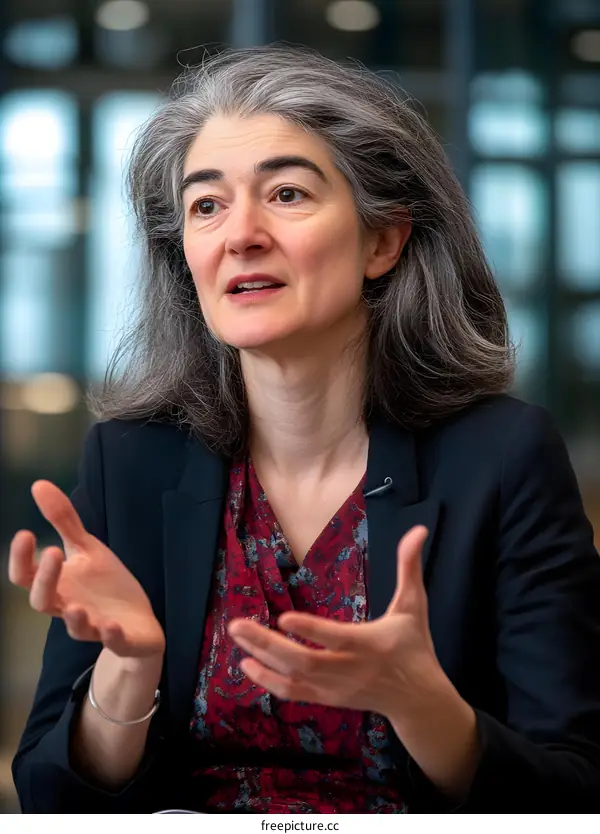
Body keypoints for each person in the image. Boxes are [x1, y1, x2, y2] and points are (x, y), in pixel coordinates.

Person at [8, 44, 600, 814]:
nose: (239, 235)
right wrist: (130, 669)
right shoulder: (132, 462)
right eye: (206, 205)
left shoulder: (502, 457)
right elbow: (50, 804)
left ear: (383, 241)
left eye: (286, 194)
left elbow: (578, 797)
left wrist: (422, 704)